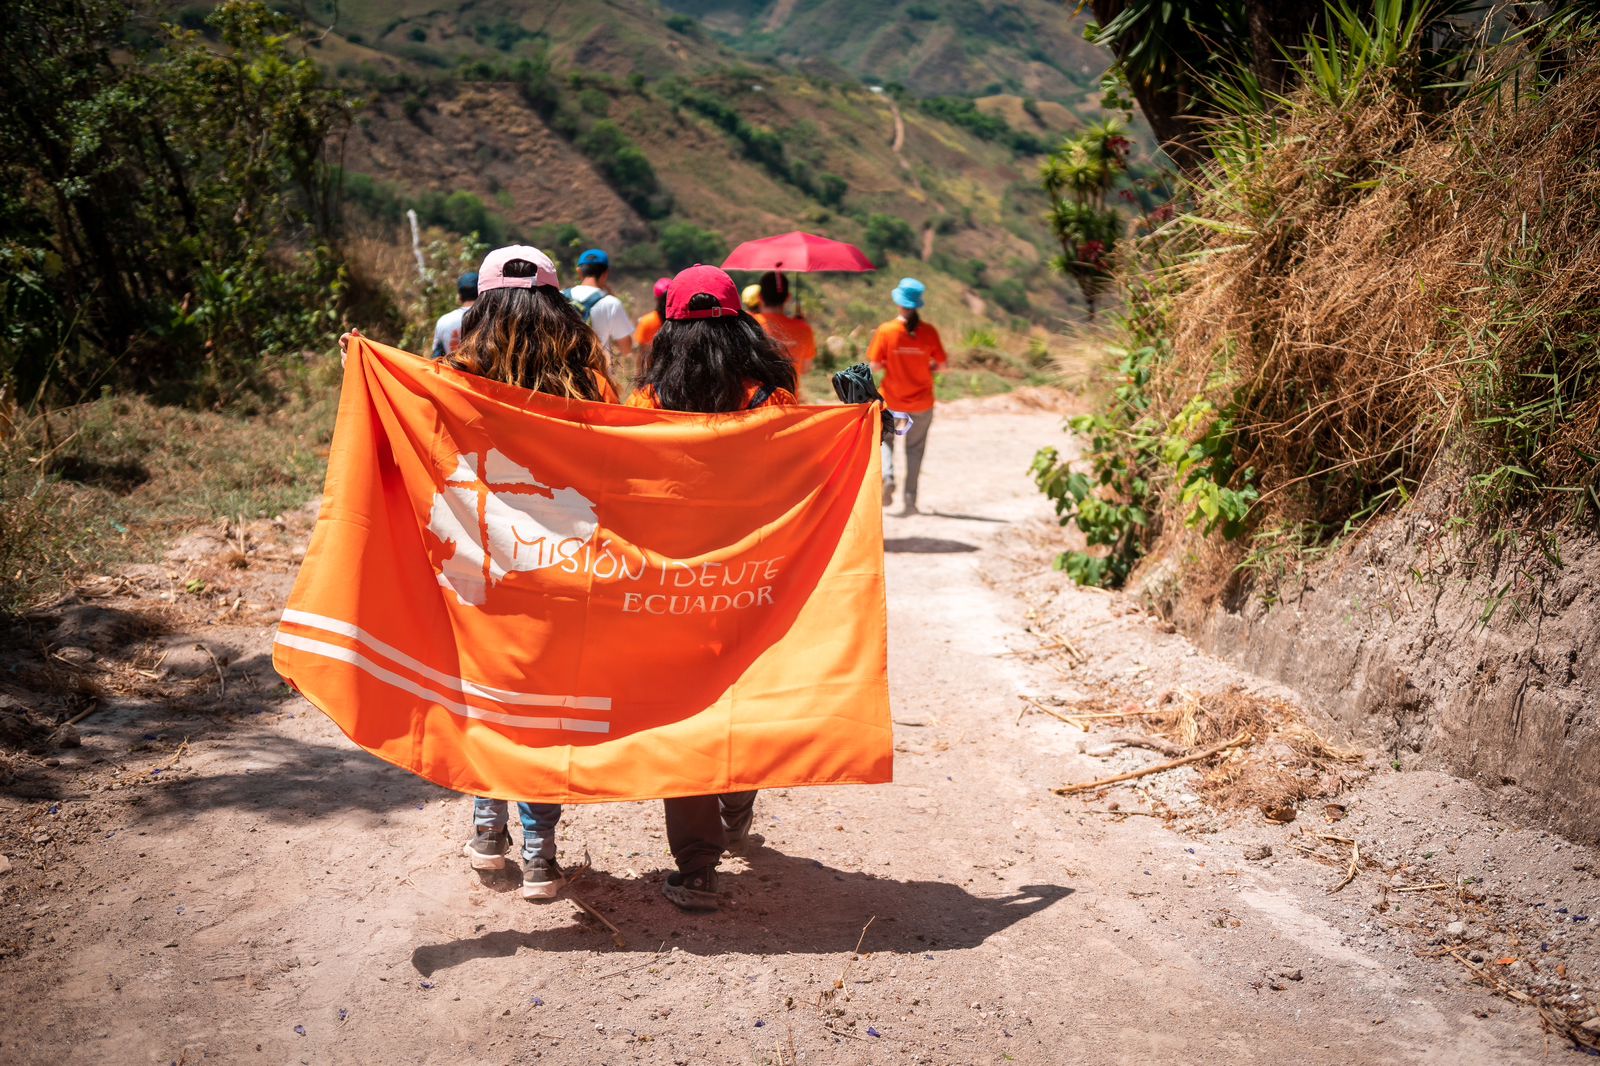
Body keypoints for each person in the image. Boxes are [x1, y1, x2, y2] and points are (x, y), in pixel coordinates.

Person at [341, 245, 618, 901]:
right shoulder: (591, 383)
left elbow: (413, 450)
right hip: (562, 568)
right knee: (545, 710)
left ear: (483, 306)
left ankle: (489, 830)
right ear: (556, 305)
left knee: (486, 697)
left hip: (475, 569)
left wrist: (366, 364)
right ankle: (542, 857)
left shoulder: (451, 378)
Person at [626, 264, 798, 911]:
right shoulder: (770, 402)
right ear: (740, 326)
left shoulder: (645, 408)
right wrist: (866, 415)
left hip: (673, 591)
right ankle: (739, 793)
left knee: (686, 716)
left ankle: (696, 867)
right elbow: (807, 478)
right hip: (753, 583)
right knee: (743, 695)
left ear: (669, 330)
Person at [867, 277, 946, 516]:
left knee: (886, 442)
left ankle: (888, 477)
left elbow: (875, 366)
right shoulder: (929, 332)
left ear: (898, 303)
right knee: (915, 450)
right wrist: (926, 366)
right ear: (917, 304)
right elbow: (942, 365)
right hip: (922, 403)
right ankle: (910, 501)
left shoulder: (886, 330)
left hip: (892, 401)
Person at [563, 247, 634, 369]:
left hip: (564, 374)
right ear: (605, 274)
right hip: (597, 377)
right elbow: (626, 348)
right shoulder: (611, 303)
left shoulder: (560, 296)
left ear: (579, 271)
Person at [752, 271, 817, 383]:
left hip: (757, 399)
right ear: (788, 297)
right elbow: (806, 369)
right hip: (789, 398)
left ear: (759, 297)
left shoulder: (750, 324)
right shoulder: (804, 328)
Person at [430, 272, 478, 359]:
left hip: (453, 371)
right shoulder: (492, 318)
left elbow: (436, 358)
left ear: (459, 296)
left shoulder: (444, 321)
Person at [631, 277, 672, 365]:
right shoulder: (681, 321)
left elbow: (641, 356)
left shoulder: (647, 322)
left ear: (656, 298)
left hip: (653, 374)